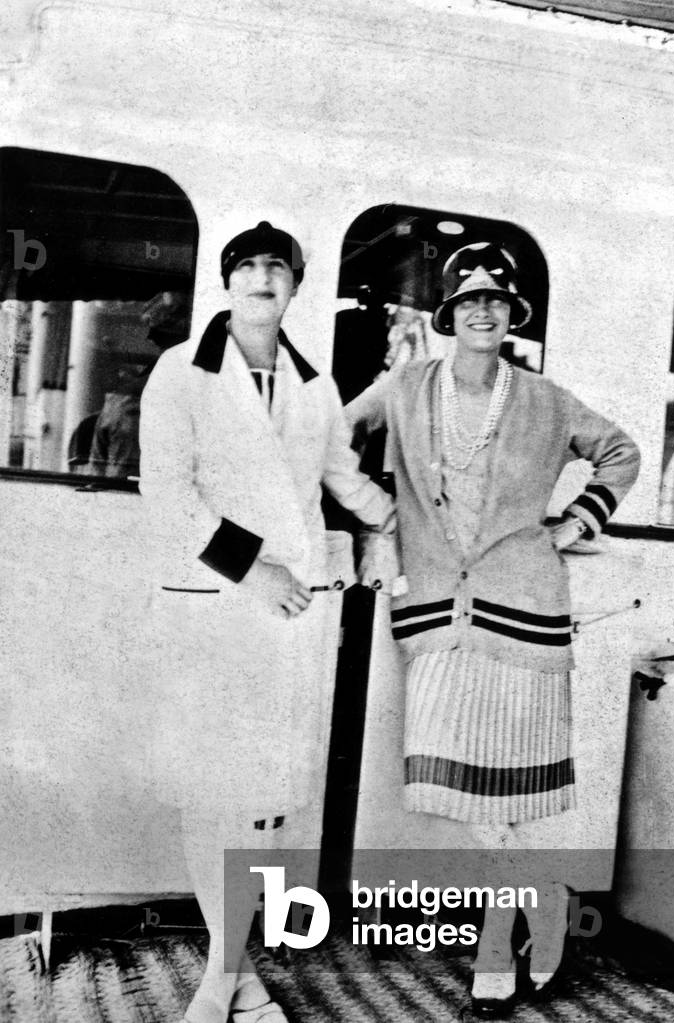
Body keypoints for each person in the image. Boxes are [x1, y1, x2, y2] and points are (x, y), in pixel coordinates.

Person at [346, 241, 640, 1018]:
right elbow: (329, 442)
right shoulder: (403, 386)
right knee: (476, 801)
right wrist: (377, 519)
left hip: (526, 613)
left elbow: (620, 452)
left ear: (513, 315)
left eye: (498, 301)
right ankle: (543, 915)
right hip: (437, 616)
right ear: (447, 314)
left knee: (514, 797)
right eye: (469, 298)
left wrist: (580, 519)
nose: (484, 310)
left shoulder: (544, 398)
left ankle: (497, 943)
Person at [138, 221, 395, 1023]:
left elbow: (343, 478)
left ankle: (227, 977)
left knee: (260, 800)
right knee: (211, 794)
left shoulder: (314, 387)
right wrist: (257, 567)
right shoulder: (180, 372)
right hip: (216, 604)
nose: (261, 279)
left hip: (284, 620)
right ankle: (229, 977)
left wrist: (401, 521)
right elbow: (169, 492)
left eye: (276, 268)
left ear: (293, 285)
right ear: (227, 282)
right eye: (247, 266)